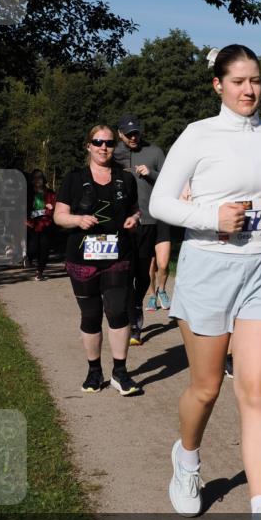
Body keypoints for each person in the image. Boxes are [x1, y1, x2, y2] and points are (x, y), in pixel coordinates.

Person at [150, 44, 261, 520]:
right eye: (238, 81)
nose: (249, 90)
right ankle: (187, 457)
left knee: (256, 390)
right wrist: (211, 218)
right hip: (209, 268)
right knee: (207, 388)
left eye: (255, 80)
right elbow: (160, 201)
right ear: (218, 85)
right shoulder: (198, 135)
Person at [54, 124, 142, 396]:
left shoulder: (125, 179)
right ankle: (94, 371)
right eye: (98, 142)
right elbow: (59, 216)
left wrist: (134, 219)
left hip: (117, 254)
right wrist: (78, 220)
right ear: (88, 146)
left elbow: (136, 210)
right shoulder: (74, 178)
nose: (104, 147)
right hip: (82, 256)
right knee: (91, 315)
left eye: (109, 142)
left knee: (117, 311)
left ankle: (120, 371)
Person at [114, 115, 166, 344]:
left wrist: (151, 174)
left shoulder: (154, 152)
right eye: (129, 133)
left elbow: (170, 181)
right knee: (124, 272)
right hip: (122, 224)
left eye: (136, 133)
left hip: (148, 221)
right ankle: (130, 321)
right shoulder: (113, 154)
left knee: (143, 273)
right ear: (120, 134)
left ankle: (137, 303)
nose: (134, 137)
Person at [25, 169, 56, 281]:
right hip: (32, 225)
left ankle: (40, 271)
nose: (38, 180)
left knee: (44, 249)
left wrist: (52, 207)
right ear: (32, 180)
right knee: (33, 248)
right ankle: (27, 256)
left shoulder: (50, 193)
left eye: (40, 177)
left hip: (46, 224)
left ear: (43, 179)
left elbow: (57, 206)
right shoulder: (28, 194)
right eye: (35, 178)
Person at [145, 223, 172, 312]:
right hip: (145, 222)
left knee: (163, 264)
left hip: (162, 221)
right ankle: (152, 296)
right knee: (150, 264)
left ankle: (161, 290)